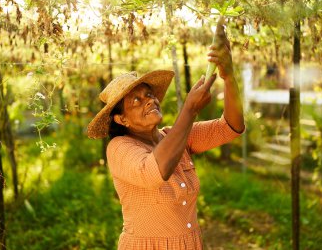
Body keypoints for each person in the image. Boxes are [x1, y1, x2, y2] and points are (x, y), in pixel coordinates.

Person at [87, 22, 245, 250]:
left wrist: (228, 76)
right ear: (122, 120)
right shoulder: (119, 147)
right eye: (136, 101)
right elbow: (154, 172)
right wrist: (189, 110)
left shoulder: (174, 137)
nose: (150, 100)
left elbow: (231, 126)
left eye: (149, 94)